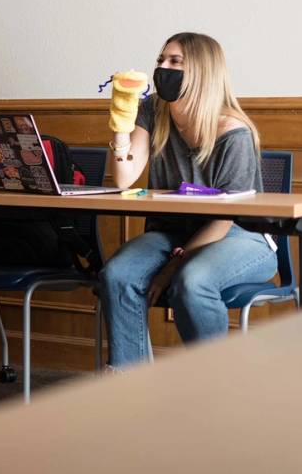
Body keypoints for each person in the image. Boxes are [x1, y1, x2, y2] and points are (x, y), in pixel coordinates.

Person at [99, 32, 276, 369]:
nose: (163, 68)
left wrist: (170, 268)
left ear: (203, 72)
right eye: (160, 60)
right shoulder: (153, 110)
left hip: (239, 235)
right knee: (117, 275)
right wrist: (121, 120)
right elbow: (124, 178)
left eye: (175, 62)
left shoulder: (232, 131)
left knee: (192, 281)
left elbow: (227, 217)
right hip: (172, 231)